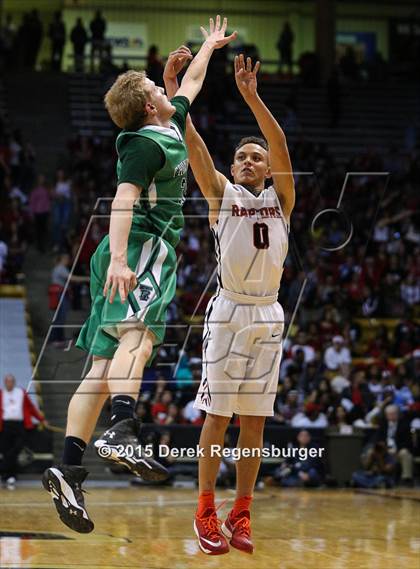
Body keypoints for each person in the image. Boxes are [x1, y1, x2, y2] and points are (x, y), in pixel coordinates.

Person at [42, 16, 237, 535]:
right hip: (143, 245)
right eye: (156, 85)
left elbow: (191, 84)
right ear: (150, 105)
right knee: (141, 339)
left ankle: (68, 465)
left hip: (131, 250)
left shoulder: (168, 124)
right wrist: (126, 259)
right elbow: (124, 200)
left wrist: (208, 48)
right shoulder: (144, 144)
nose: (165, 82)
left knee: (102, 365)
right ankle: (122, 427)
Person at [164, 53, 294, 555]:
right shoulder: (222, 194)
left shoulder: (282, 199)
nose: (248, 161)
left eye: (255, 157)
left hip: (269, 312)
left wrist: (251, 96)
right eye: (241, 156)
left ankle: (241, 513)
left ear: (267, 167)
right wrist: (177, 91)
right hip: (230, 311)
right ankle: (204, 511)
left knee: (255, 422)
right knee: (217, 419)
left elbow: (279, 143)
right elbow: (194, 145)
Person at [0, 374, 46, 486]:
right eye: (7, 381)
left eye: (11, 381)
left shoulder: (21, 393)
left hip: (19, 425)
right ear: (5, 382)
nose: (9, 383)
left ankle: (4, 471)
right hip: (5, 425)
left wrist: (41, 419)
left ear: (14, 382)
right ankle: (9, 476)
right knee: (6, 451)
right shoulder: (1, 394)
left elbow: (31, 407)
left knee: (15, 449)